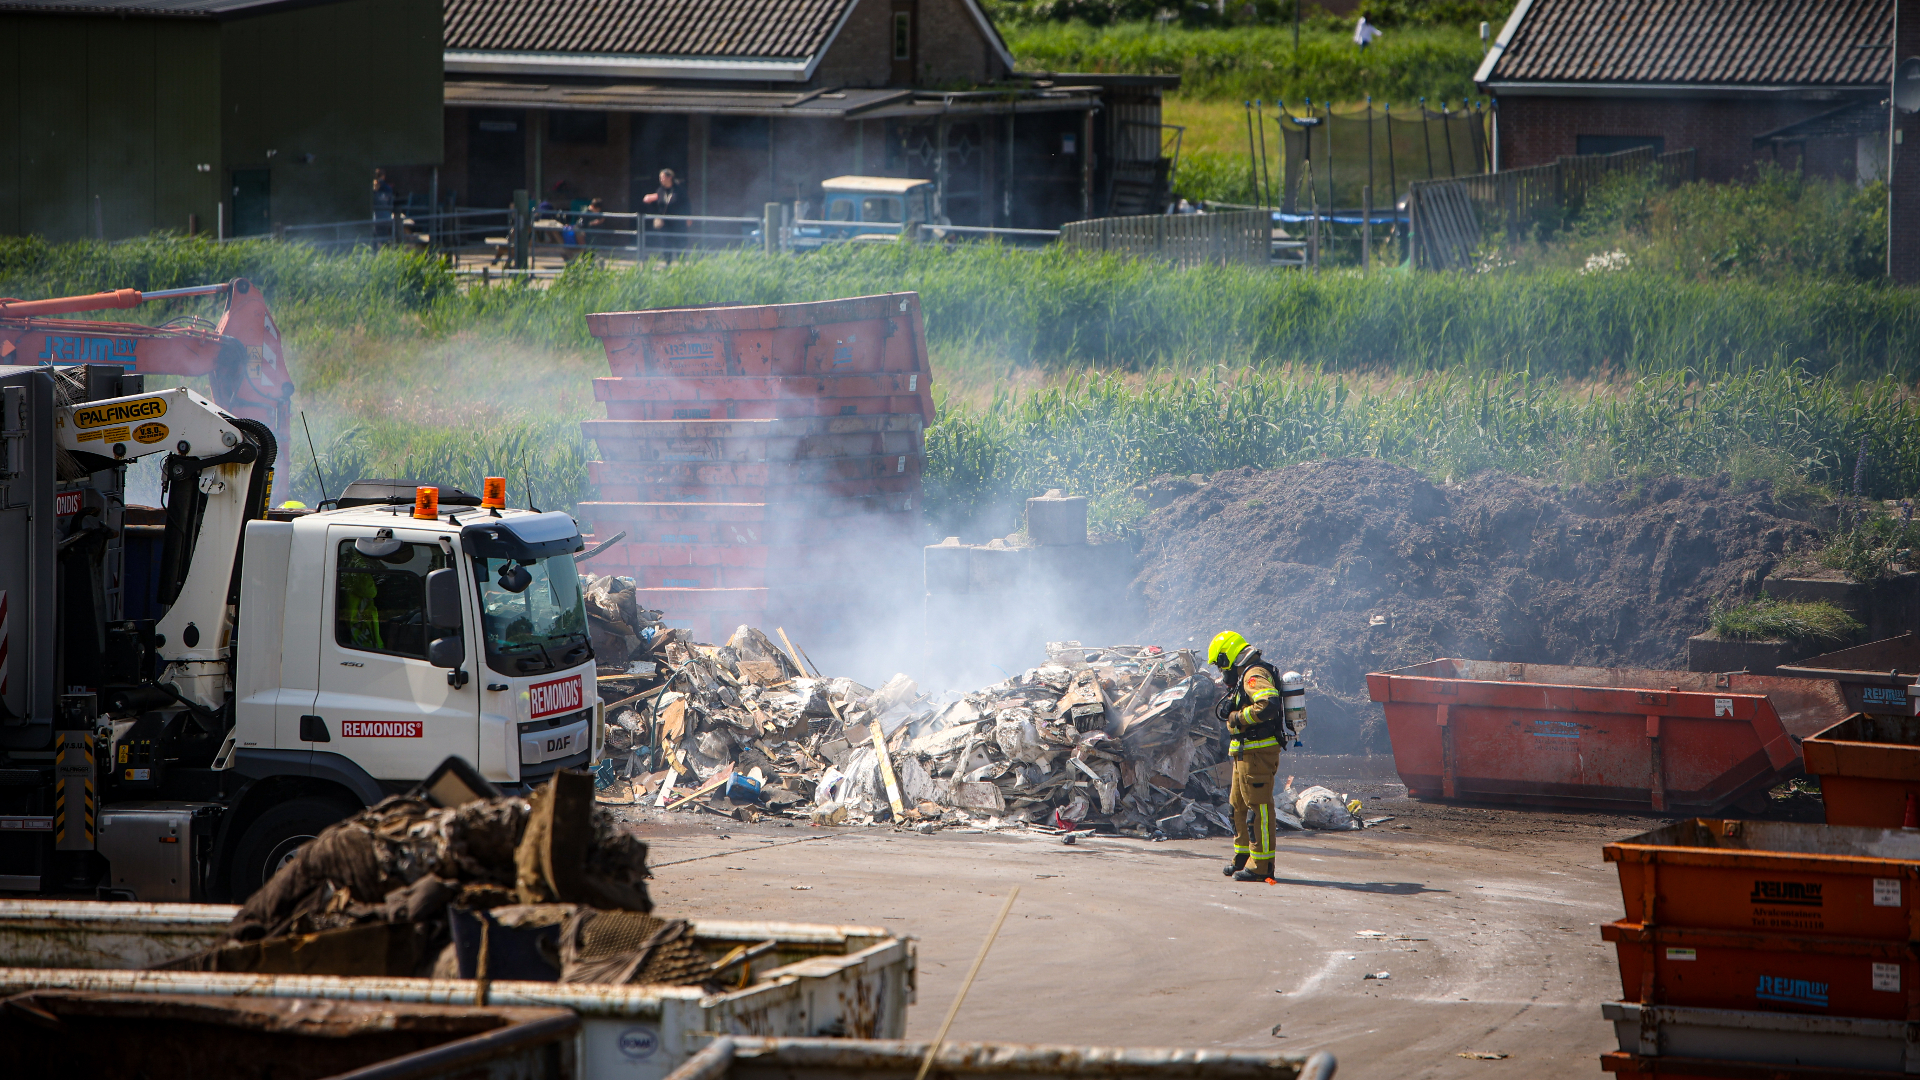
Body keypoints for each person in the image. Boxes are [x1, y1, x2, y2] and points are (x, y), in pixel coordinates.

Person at [1208, 630, 1285, 884]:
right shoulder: (1245, 676)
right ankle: (1243, 857)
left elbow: (1268, 704)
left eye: (1221, 664)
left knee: (1258, 809)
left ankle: (1261, 865)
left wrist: (1238, 717)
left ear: (1228, 656)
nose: (1222, 671)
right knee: (1237, 807)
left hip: (1258, 752)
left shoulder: (1253, 675)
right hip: (1244, 752)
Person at [642, 168, 683, 257]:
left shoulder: (679, 190)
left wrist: (687, 218)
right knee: (666, 244)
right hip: (665, 223)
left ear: (669, 178)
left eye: (662, 177)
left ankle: (681, 265)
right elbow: (658, 204)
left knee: (679, 243)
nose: (661, 179)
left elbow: (685, 204)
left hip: (677, 222)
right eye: (660, 177)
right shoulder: (660, 190)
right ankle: (667, 263)